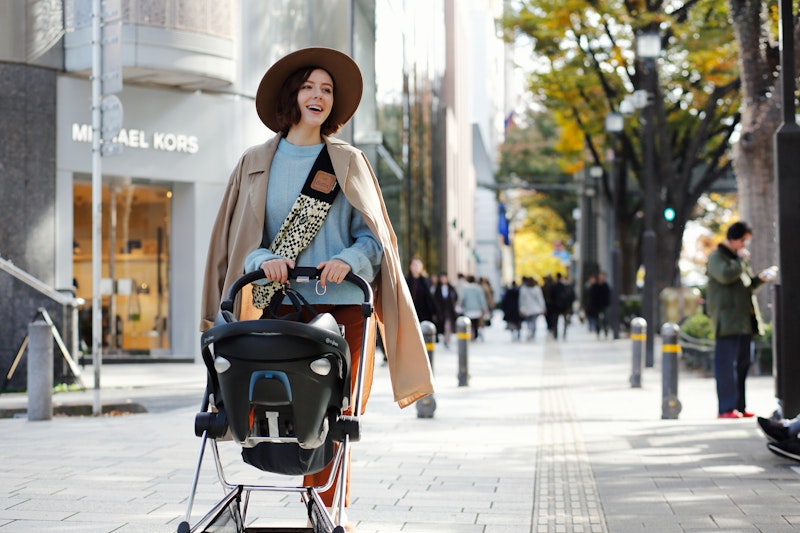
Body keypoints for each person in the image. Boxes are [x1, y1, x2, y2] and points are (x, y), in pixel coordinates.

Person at [200, 47, 435, 514]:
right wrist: (265, 258)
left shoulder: (347, 162)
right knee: (283, 409)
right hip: (280, 306)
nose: (318, 96)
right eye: (309, 86)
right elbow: (245, 239)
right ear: (292, 95)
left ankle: (323, 510)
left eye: (327, 90)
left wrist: (349, 260)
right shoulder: (254, 161)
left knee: (333, 414)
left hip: (343, 308)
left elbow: (375, 239)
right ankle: (314, 505)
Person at [706, 220, 772, 419]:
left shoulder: (738, 260)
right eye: (743, 241)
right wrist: (742, 262)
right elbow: (725, 276)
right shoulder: (717, 258)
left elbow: (747, 286)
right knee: (727, 366)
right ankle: (725, 408)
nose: (744, 246)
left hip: (744, 322)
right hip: (727, 322)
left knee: (743, 364)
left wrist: (761, 279)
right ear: (733, 239)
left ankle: (739, 406)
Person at [405, 257, 440, 326]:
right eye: (414, 265)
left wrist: (434, 313)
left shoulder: (425, 281)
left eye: (418, 265)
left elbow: (430, 298)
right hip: (409, 312)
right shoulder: (406, 281)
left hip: (424, 314)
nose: (416, 267)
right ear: (410, 267)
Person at [432, 272, 458, 348]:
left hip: (449, 310)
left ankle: (447, 340)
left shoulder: (451, 288)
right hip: (440, 311)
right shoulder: (438, 289)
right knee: (442, 326)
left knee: (448, 325)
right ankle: (444, 338)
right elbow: (435, 300)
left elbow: (455, 297)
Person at [459, 275, 489, 340]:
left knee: (470, 323)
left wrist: (460, 305)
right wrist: (485, 308)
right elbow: (482, 299)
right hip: (477, 308)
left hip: (468, 309)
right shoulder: (478, 288)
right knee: (476, 323)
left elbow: (462, 298)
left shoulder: (465, 289)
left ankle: (472, 334)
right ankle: (475, 334)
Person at [518, 276, 545, 341]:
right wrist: (543, 308)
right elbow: (540, 299)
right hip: (535, 309)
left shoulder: (523, 289)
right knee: (533, 322)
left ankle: (530, 332)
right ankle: (532, 332)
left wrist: (521, 308)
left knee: (529, 322)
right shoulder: (537, 289)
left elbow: (521, 300)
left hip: (527, 309)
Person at [587, 271, 611, 339]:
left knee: (605, 319)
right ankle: (598, 332)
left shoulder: (606, 286)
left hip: (604, 305)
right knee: (597, 320)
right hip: (596, 306)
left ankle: (606, 332)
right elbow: (592, 296)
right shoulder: (595, 286)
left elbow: (608, 296)